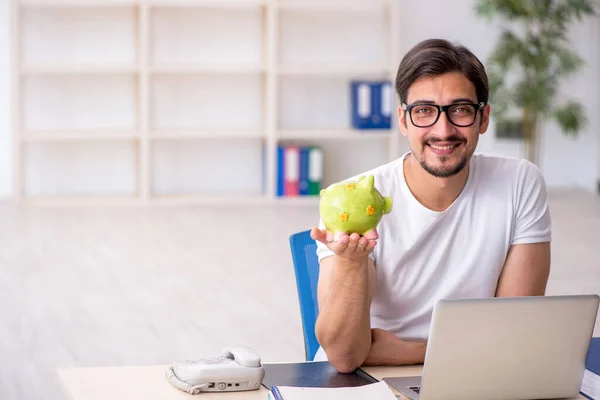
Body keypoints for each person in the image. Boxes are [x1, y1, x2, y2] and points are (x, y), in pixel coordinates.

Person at [309, 38, 552, 373]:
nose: (443, 130)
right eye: (424, 111)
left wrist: (405, 350)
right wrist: (351, 263)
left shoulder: (519, 182)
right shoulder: (351, 201)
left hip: (474, 373)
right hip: (371, 381)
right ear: (403, 120)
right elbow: (346, 356)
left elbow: (510, 332)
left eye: (461, 110)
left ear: (483, 119)